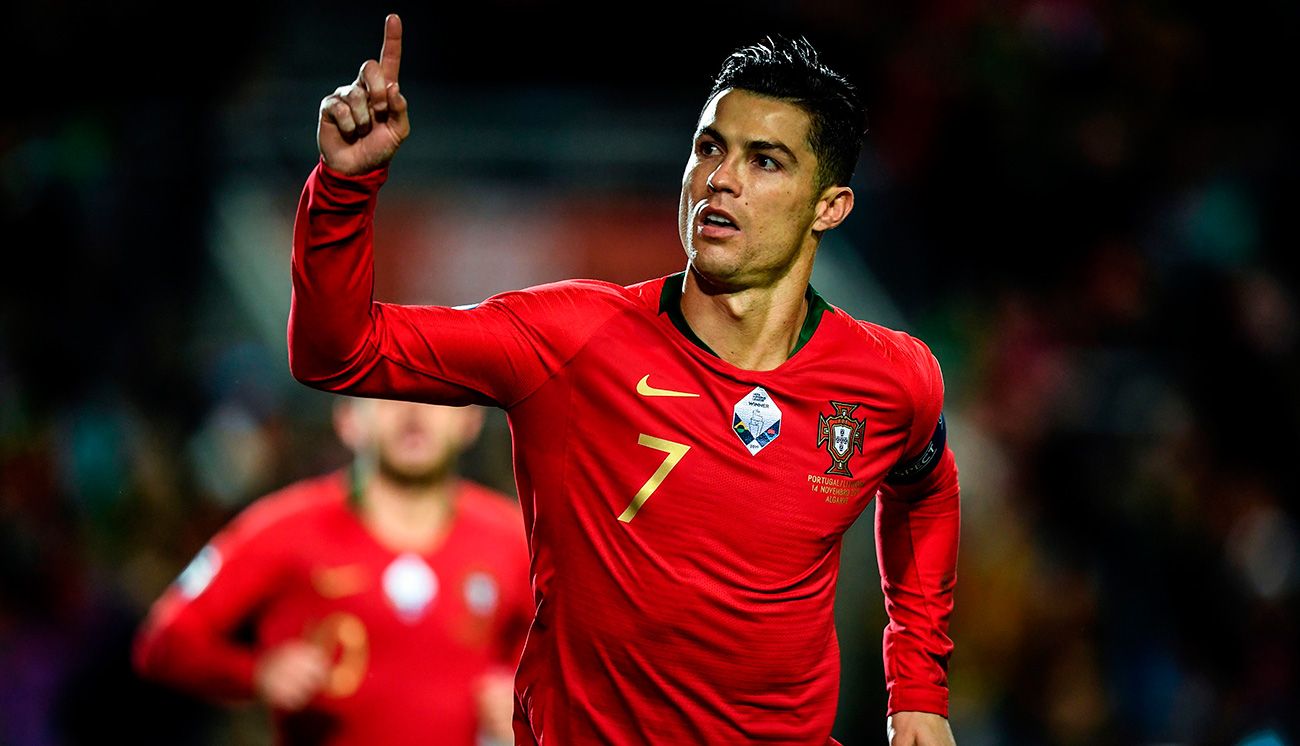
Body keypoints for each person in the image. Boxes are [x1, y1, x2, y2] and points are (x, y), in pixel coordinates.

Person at [288, 14, 960, 746]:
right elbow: (339, 351)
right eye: (709, 147)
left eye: (765, 161)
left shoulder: (891, 378)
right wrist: (344, 188)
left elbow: (925, 489)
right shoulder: (572, 338)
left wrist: (918, 689)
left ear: (829, 208)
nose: (721, 179)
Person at [133, 397, 531, 746]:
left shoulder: (514, 539)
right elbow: (165, 642)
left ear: (471, 421)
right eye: (388, 396)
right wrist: (254, 674)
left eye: (436, 398)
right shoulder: (281, 529)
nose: (413, 414)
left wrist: (527, 700)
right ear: (347, 420)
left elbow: (571, 659)